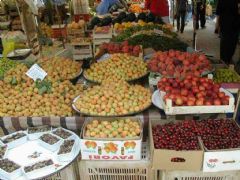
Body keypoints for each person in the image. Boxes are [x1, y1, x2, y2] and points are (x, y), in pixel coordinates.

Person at [215, 0, 240, 65]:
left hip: (235, 24)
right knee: (225, 43)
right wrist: (217, 25)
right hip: (225, 24)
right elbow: (218, 12)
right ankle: (223, 60)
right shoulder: (221, 1)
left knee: (232, 43)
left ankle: (228, 58)